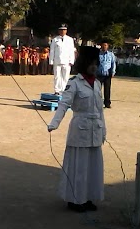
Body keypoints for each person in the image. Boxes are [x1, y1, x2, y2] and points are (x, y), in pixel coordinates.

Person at [48, 46, 105, 212]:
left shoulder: (97, 84)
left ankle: (87, 197)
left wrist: (104, 130)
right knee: (79, 167)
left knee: (92, 167)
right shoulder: (74, 83)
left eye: (96, 63)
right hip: (80, 129)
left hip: (95, 129)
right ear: (83, 63)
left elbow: (100, 110)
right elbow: (63, 104)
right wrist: (55, 123)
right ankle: (74, 199)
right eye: (90, 63)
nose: (94, 66)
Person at [49, 24, 76, 94]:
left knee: (66, 76)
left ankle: (64, 89)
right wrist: (51, 61)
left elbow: (71, 50)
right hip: (57, 60)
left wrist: (72, 60)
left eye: (64, 30)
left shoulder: (70, 39)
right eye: (61, 30)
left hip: (67, 61)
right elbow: (52, 51)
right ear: (59, 31)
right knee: (57, 76)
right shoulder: (55, 40)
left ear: (66, 31)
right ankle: (57, 90)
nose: (62, 31)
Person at [97, 40, 116, 108]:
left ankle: (107, 103)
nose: (104, 47)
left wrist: (113, 71)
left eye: (105, 45)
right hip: (99, 74)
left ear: (107, 46)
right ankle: (97, 103)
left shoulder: (111, 54)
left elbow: (113, 63)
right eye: (103, 45)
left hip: (107, 74)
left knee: (107, 89)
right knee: (97, 90)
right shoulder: (98, 54)